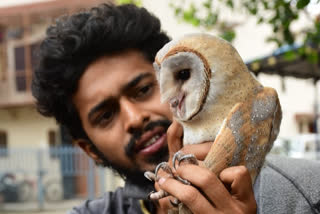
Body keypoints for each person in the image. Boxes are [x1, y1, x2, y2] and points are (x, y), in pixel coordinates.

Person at [31, 3, 320, 214]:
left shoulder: (308, 192)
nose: (135, 118)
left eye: (144, 89)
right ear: (90, 149)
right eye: (106, 116)